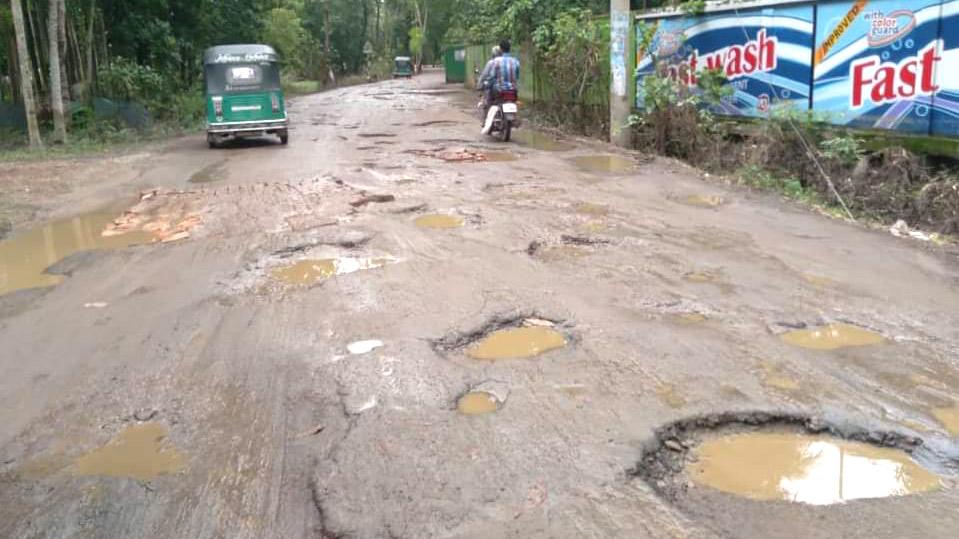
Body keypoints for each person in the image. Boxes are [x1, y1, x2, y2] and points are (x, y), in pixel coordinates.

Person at [477, 46, 501, 122]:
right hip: (507, 87)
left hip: (494, 88)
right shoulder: (506, 61)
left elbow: (484, 75)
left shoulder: (491, 63)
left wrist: (479, 85)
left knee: (487, 102)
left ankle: (485, 120)